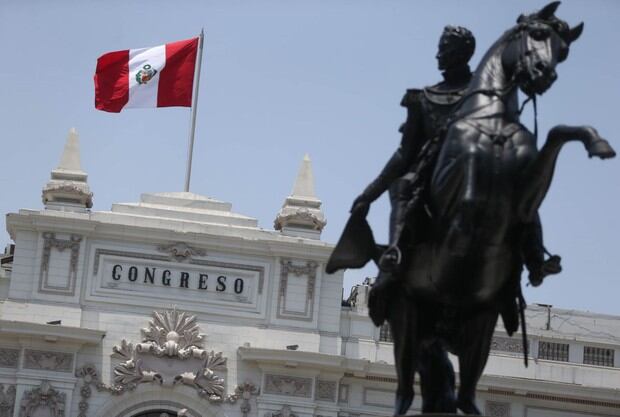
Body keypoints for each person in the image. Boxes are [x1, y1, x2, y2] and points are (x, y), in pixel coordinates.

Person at [350, 25, 560, 295]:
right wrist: (369, 194)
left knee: (519, 194)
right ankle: (395, 252)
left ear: (462, 53)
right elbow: (405, 153)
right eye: (441, 47)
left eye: (446, 48)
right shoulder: (422, 99)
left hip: (480, 164)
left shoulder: (487, 94)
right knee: (402, 186)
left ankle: (535, 262)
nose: (440, 54)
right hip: (431, 171)